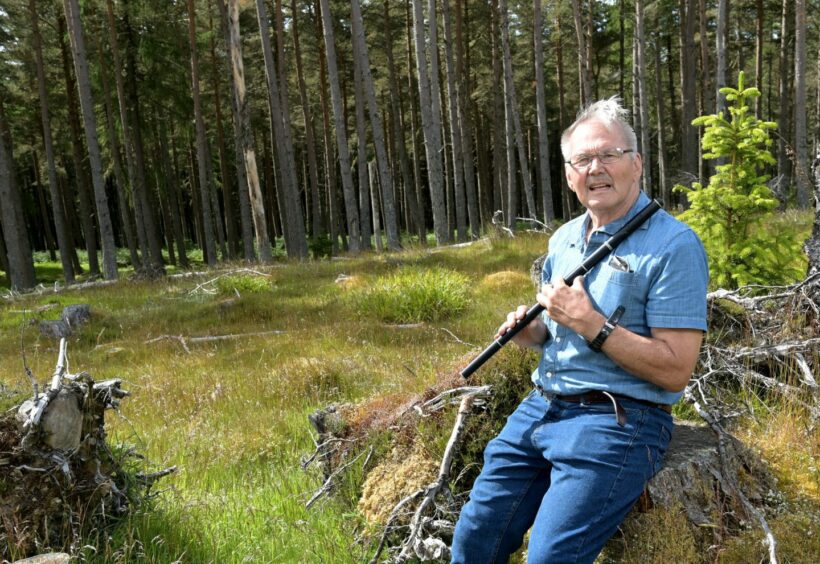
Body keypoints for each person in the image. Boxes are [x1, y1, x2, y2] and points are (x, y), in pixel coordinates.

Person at [450, 97, 709, 564]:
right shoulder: (564, 239)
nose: (597, 168)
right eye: (583, 160)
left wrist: (591, 323)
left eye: (608, 155)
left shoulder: (675, 245)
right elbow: (556, 328)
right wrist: (533, 333)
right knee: (474, 540)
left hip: (618, 420)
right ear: (570, 175)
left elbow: (675, 371)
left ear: (637, 164)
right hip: (540, 409)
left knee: (550, 558)